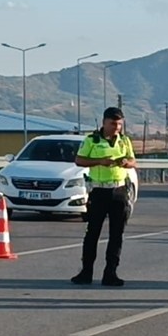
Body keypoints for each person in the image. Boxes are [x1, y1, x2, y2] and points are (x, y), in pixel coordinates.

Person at [71, 107, 137, 286]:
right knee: (93, 232)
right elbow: (79, 160)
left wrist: (126, 162)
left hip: (119, 191)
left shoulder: (124, 141)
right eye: (113, 124)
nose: (117, 128)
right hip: (99, 191)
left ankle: (111, 273)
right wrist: (100, 161)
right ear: (104, 122)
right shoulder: (91, 140)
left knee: (117, 234)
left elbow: (133, 161)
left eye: (120, 124)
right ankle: (86, 272)